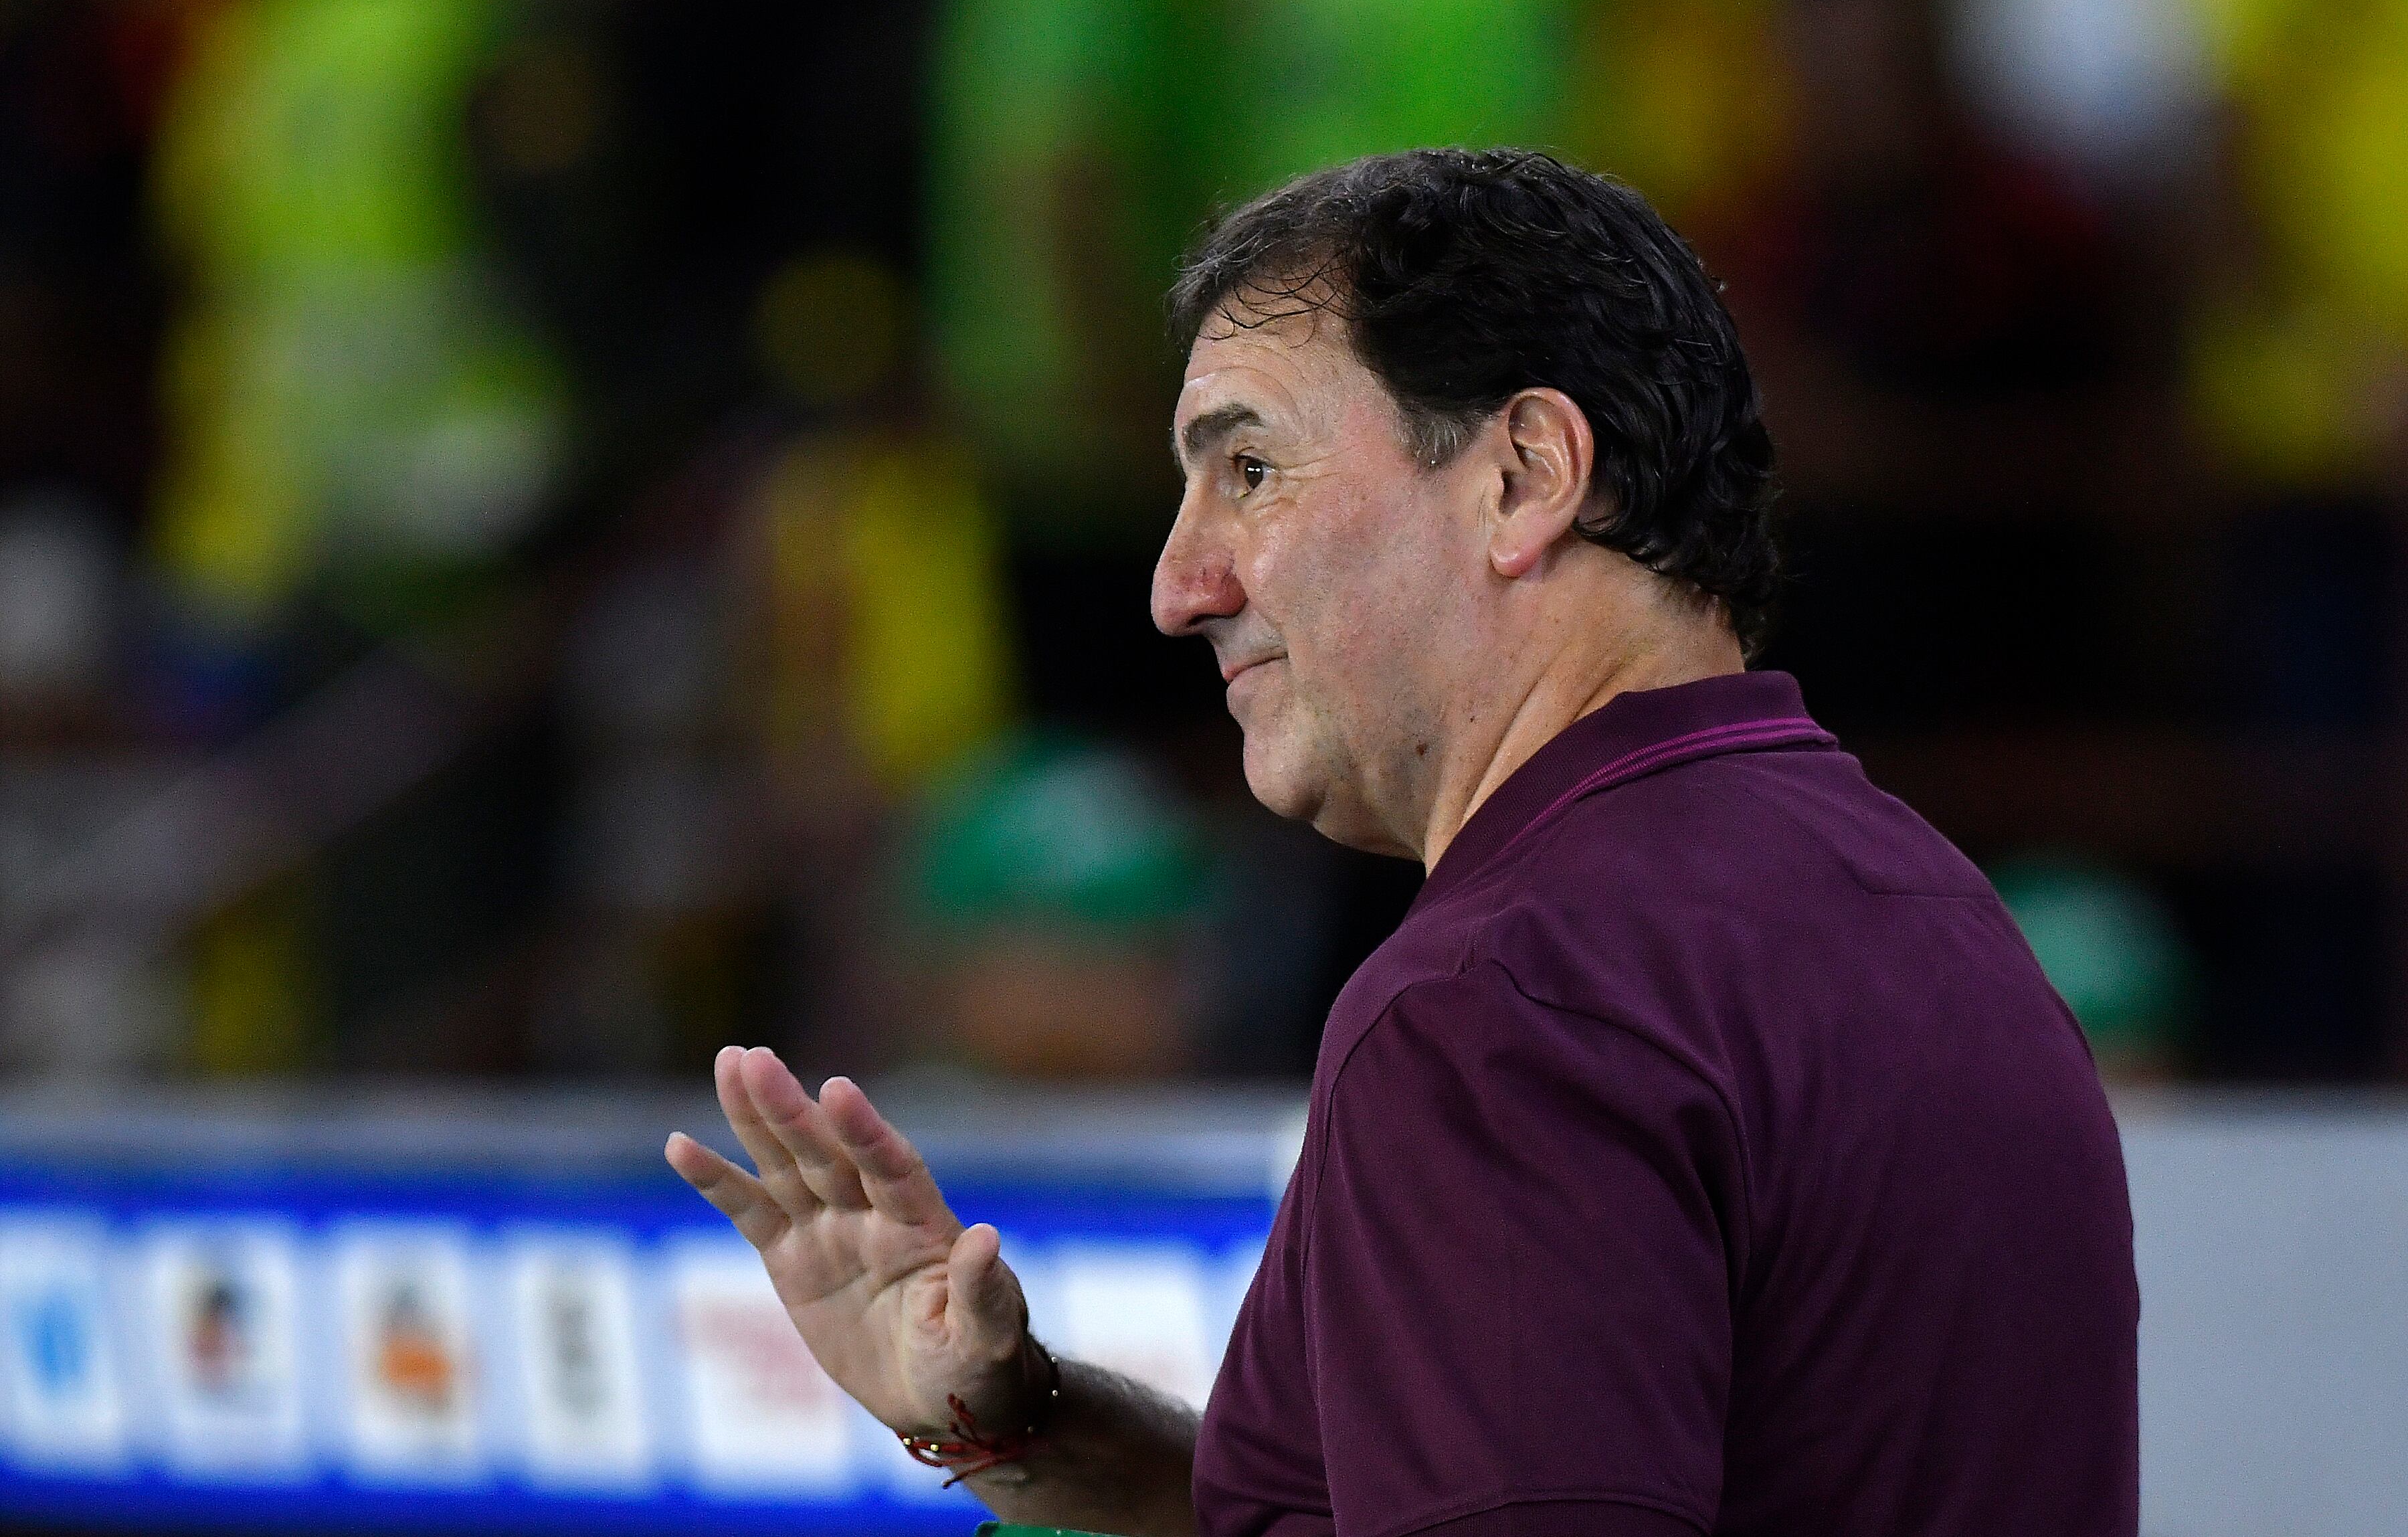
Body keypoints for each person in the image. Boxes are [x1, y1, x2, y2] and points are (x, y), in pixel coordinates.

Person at [666, 149, 2139, 1537]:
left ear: (1524, 475)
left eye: (1249, 468)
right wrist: (1024, 1420)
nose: (1178, 583)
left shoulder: (1504, 1006)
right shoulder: (1950, 925)